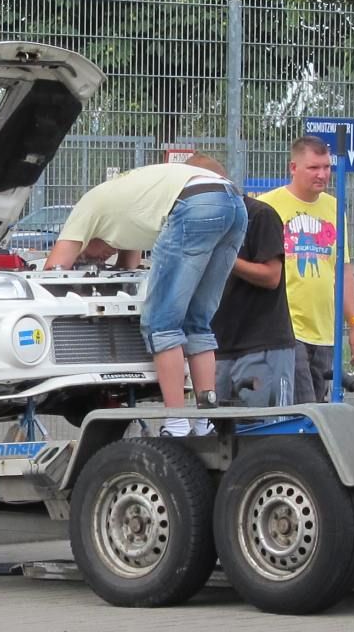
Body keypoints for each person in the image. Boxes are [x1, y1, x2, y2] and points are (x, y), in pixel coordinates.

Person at [46, 154, 248, 429]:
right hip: (233, 202)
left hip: (193, 203)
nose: (96, 259)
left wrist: (74, 267)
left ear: (84, 237)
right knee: (197, 322)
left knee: (162, 324)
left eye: (86, 255)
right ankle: (205, 422)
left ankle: (176, 424)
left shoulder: (87, 207)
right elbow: (127, 269)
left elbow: (53, 271)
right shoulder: (124, 211)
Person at [259, 135, 354, 404]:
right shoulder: (268, 206)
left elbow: (342, 270)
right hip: (285, 328)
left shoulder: (334, 207)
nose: (322, 174)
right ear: (293, 168)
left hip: (324, 330)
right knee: (306, 409)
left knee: (318, 406)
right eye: (313, 167)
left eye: (327, 167)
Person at [212, 190, 293, 407]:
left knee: (266, 424)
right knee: (218, 424)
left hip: (262, 346)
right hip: (217, 346)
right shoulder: (199, 221)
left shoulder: (259, 215)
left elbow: (272, 276)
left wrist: (225, 257)